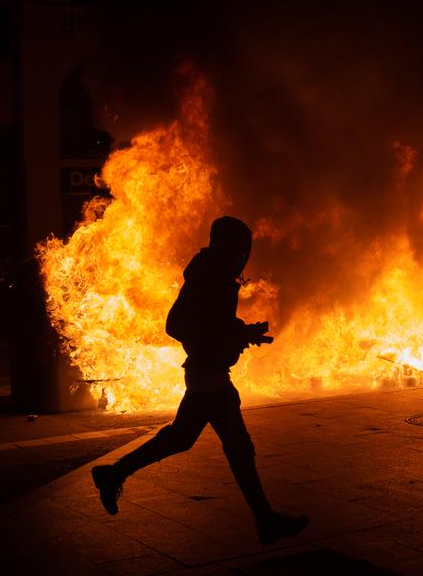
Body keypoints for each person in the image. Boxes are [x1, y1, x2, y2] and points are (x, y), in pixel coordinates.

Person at [92, 216, 309, 545]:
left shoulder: (215, 275)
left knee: (183, 438)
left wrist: (241, 332)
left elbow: (213, 321)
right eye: (240, 247)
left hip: (208, 372)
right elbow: (177, 324)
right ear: (228, 246)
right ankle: (265, 521)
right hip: (208, 375)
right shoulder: (209, 276)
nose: (243, 253)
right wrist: (224, 338)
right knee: (236, 448)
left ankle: (113, 474)